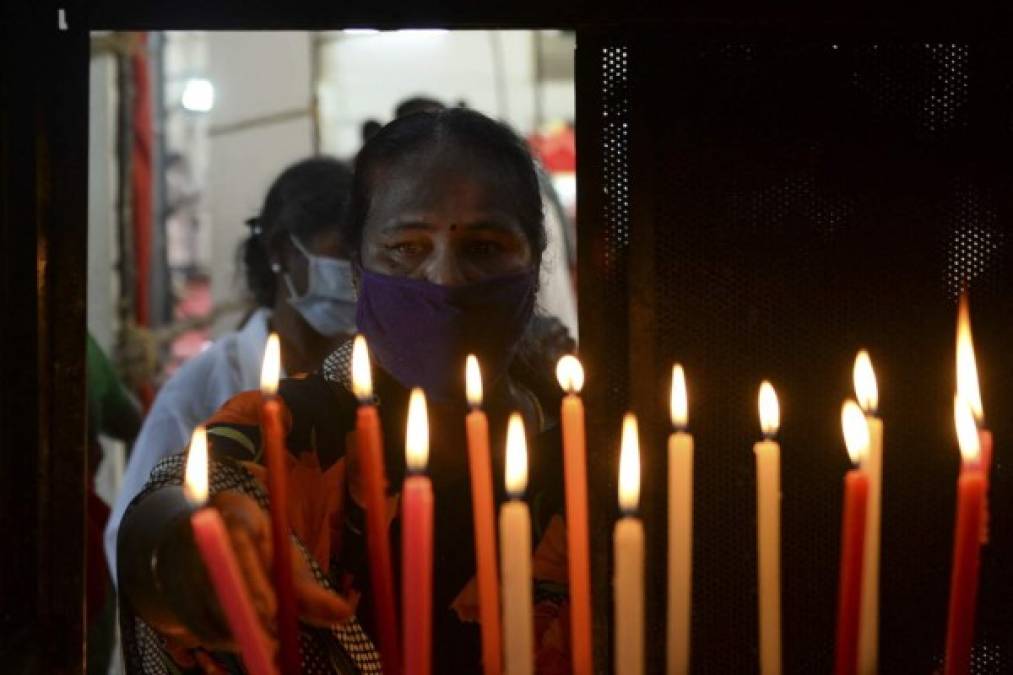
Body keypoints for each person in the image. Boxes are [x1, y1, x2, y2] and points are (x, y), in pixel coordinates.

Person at [116, 109, 576, 674]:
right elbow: (172, 502)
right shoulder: (289, 431)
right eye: (407, 247)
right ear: (358, 268)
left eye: (484, 247)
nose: (446, 279)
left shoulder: (583, 447)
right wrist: (195, 547)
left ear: (535, 263)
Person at [105, 157, 358, 582]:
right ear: (281, 250)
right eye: (339, 257)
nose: (354, 277)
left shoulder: (372, 377)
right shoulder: (204, 388)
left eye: (363, 259)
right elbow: (129, 539)